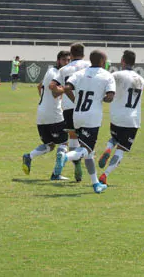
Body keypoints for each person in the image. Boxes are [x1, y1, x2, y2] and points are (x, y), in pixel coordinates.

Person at [53, 50, 116, 194]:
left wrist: (65, 93)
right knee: (86, 150)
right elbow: (110, 97)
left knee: (89, 152)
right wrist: (103, 98)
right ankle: (65, 156)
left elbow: (68, 87)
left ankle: (95, 184)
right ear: (102, 61)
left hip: (77, 114)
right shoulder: (107, 75)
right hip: (92, 117)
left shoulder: (80, 73)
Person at [22, 51, 71, 179]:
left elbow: (39, 86)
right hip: (54, 114)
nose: (67, 63)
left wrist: (47, 102)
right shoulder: (59, 74)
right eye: (64, 60)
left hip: (41, 113)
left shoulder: (50, 71)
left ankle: (29, 156)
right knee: (64, 143)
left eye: (68, 60)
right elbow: (54, 90)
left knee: (50, 145)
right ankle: (56, 174)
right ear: (58, 60)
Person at [98, 50, 144, 185]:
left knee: (114, 138)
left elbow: (107, 90)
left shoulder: (116, 75)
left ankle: (108, 148)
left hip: (116, 117)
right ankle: (104, 175)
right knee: (121, 149)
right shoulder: (140, 79)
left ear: (122, 61)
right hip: (132, 119)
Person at [49, 43, 90, 182]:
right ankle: (80, 167)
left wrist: (60, 92)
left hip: (68, 108)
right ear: (83, 54)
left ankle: (76, 165)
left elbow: (52, 87)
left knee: (73, 137)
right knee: (86, 143)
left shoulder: (64, 69)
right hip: (86, 107)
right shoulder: (89, 66)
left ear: (71, 55)